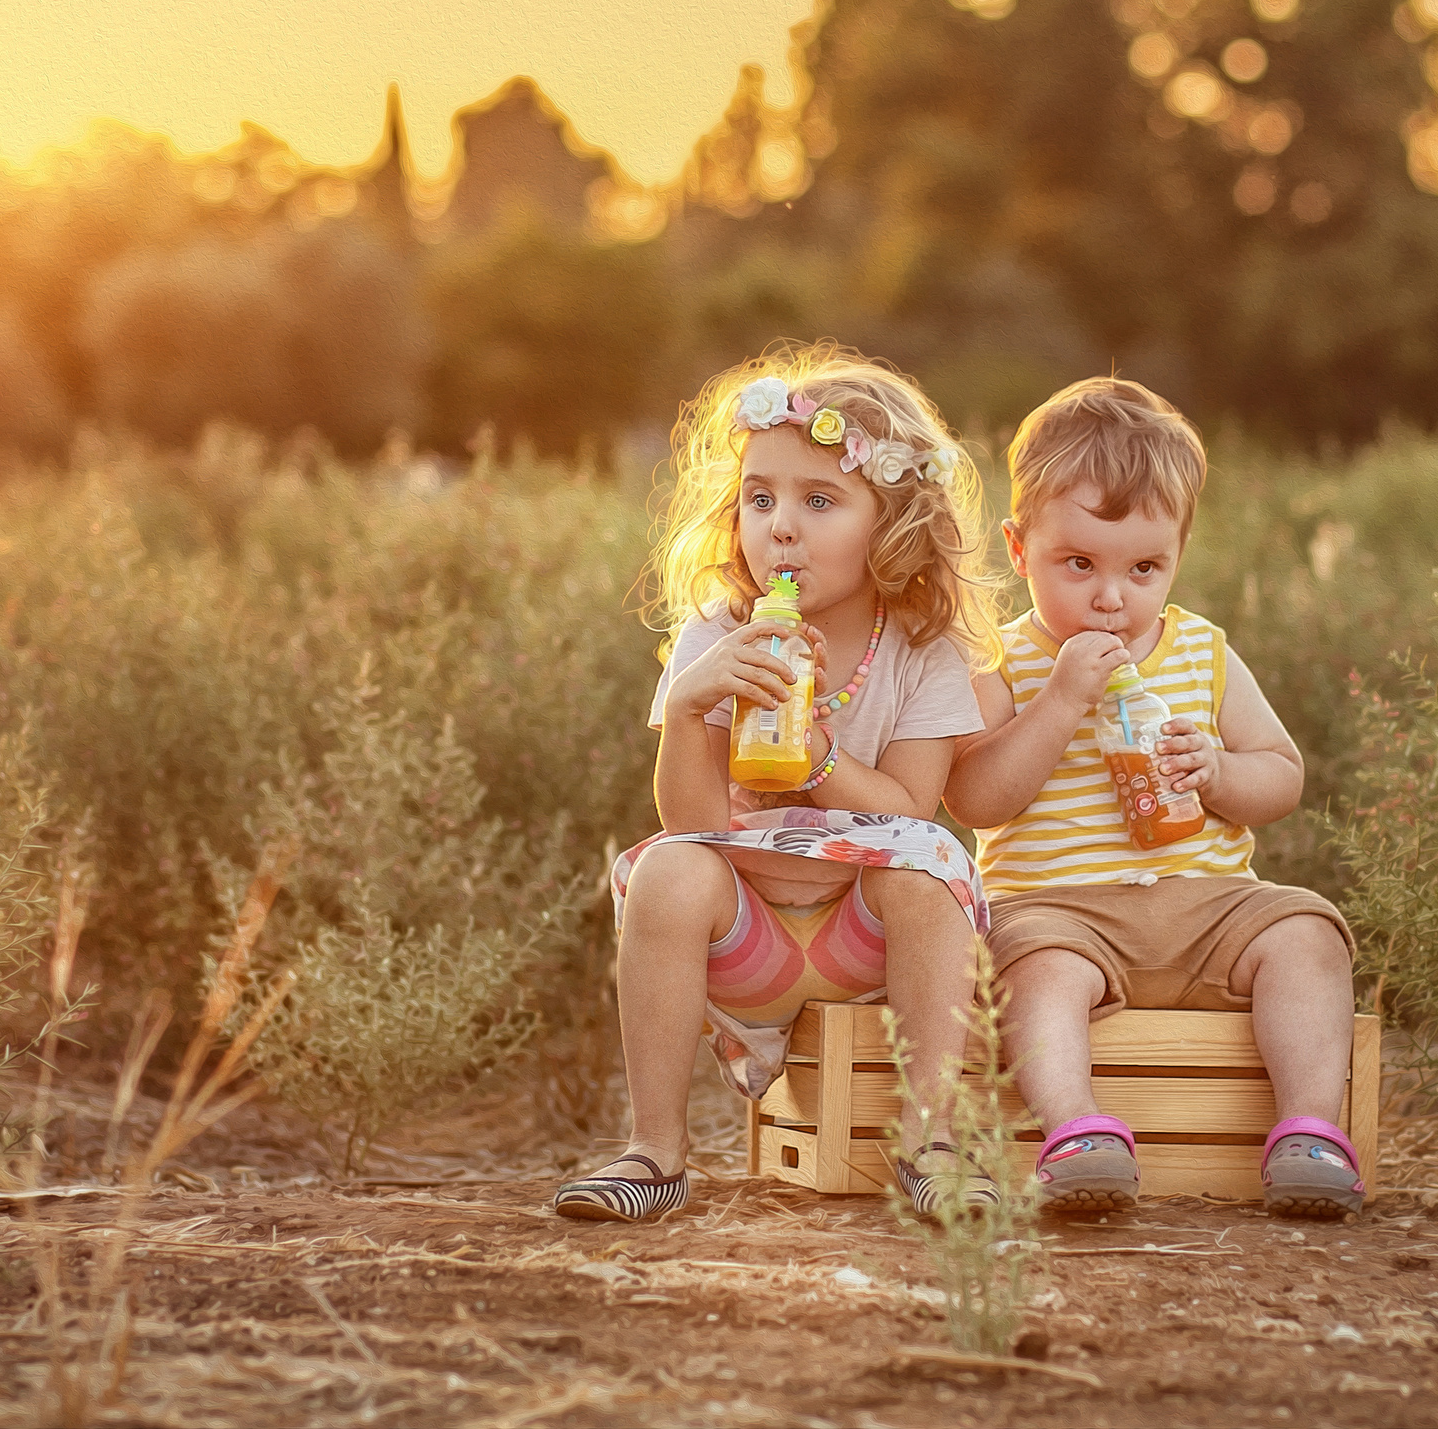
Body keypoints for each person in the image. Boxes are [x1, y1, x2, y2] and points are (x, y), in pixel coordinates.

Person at [553, 344, 1000, 1223]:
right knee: (668, 869)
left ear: (893, 522)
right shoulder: (722, 632)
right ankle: (656, 1152)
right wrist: (688, 709)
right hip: (747, 939)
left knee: (929, 868)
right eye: (760, 498)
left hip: (861, 944)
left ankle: (933, 1144)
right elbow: (690, 822)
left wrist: (822, 767)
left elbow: (913, 810)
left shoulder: (919, 649)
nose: (779, 527)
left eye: (819, 500)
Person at [943, 377, 1362, 1220]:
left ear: (1178, 555)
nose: (1111, 596)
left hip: (1209, 905)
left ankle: (1308, 1129)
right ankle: (1077, 1133)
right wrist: (1058, 702)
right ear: (1019, 550)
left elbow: (1281, 773)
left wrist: (1216, 769)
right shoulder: (1005, 658)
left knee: (1310, 934)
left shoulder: (1201, 650)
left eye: (1144, 568)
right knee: (1035, 974)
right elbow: (974, 797)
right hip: (1063, 910)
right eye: (1079, 565)